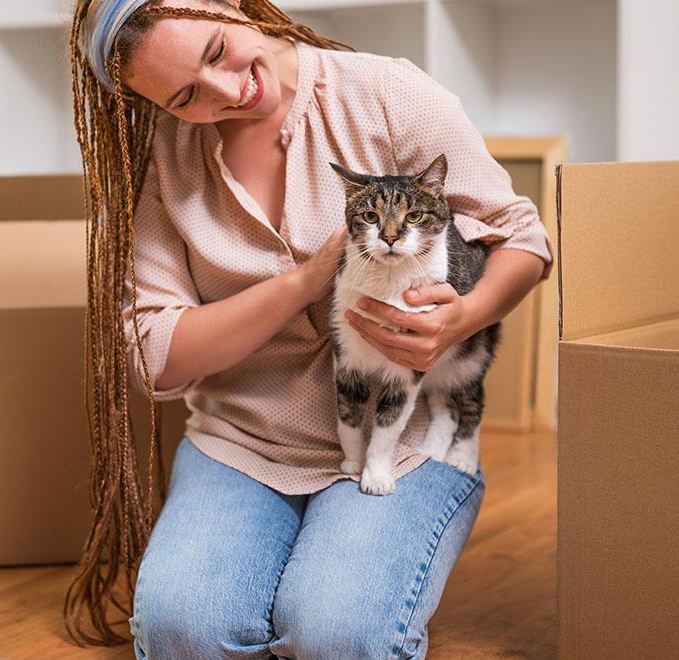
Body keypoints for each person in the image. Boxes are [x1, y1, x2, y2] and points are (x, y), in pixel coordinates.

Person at [63, 0, 555, 657]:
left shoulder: (387, 93)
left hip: (401, 437)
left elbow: (523, 238)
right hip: (244, 443)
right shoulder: (162, 159)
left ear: (229, 3)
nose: (229, 91)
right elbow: (156, 357)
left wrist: (461, 317)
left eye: (217, 51)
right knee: (186, 631)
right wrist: (301, 284)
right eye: (186, 96)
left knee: (337, 636)